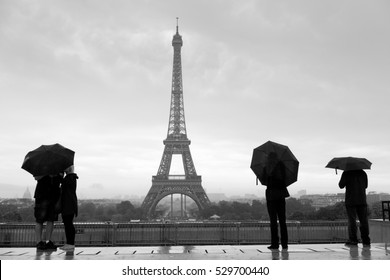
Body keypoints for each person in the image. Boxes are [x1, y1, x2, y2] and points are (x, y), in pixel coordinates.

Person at [339, 169, 370, 247]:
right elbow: (366, 186)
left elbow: (341, 185)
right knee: (364, 221)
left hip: (351, 200)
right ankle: (366, 240)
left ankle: (353, 240)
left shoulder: (346, 172)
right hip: (362, 199)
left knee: (352, 220)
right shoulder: (363, 173)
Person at [264, 153, 289, 250]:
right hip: (281, 195)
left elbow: (265, 180)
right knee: (283, 221)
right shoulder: (281, 166)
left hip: (271, 196)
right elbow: (285, 179)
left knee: (273, 221)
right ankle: (285, 244)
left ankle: (275, 243)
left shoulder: (267, 167)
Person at [33, 173, 63, 250]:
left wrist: (57, 175)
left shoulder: (58, 167)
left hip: (53, 196)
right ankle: (39, 242)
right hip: (42, 195)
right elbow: (36, 177)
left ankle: (48, 241)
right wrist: (47, 174)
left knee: (51, 219)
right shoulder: (42, 166)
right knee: (40, 219)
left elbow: (61, 178)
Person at [59, 165, 78, 251]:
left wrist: (60, 176)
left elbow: (63, 184)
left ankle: (70, 243)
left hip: (68, 205)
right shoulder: (71, 178)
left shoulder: (69, 178)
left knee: (68, 225)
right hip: (69, 205)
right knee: (68, 224)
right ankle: (69, 243)